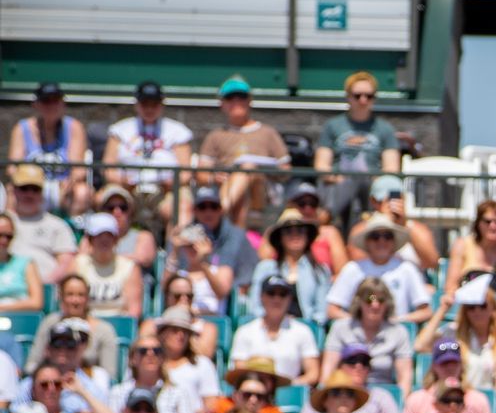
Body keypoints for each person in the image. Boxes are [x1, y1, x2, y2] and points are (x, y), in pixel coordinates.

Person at [197, 77, 290, 229]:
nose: (236, 102)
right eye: (230, 98)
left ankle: (218, 215)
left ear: (249, 100)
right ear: (222, 103)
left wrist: (262, 170)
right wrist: (214, 178)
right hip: (227, 189)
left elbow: (285, 169)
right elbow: (200, 174)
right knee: (241, 195)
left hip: (261, 194)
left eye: (241, 97)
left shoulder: (267, 132)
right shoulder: (216, 135)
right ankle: (235, 238)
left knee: (247, 167)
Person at [103, 81, 195, 234]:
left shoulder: (177, 131)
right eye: (145, 104)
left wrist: (170, 182)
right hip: (127, 188)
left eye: (154, 104)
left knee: (182, 207)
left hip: (165, 190)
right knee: (111, 204)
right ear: (137, 104)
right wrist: (122, 181)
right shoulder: (120, 130)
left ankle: (175, 254)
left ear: (162, 105)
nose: (150, 109)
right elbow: (108, 168)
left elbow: (186, 172)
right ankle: (111, 253)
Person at [314, 72, 400, 225]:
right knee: (350, 181)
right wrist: (336, 178)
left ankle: (325, 219)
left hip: (372, 186)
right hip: (338, 183)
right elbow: (321, 165)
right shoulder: (333, 126)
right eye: (357, 95)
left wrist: (376, 180)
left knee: (362, 180)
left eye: (369, 96)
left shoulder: (385, 128)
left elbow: (392, 168)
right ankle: (329, 221)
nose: (363, 100)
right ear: (348, 96)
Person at [325, 216, 430, 323]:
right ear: (366, 241)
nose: (381, 241)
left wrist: (395, 321)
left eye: (387, 236)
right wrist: (360, 323)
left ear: (394, 241)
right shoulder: (352, 269)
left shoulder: (407, 269)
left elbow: (425, 311)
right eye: (375, 236)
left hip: (395, 334)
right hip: (358, 335)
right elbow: (332, 310)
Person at [11, 82, 92, 216]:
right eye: (46, 101)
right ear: (36, 104)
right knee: (11, 193)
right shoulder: (21, 128)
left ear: (63, 103)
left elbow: (79, 169)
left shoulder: (74, 127)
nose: (51, 105)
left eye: (55, 101)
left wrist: (66, 186)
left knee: (82, 193)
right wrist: (31, 186)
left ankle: (72, 232)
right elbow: (13, 168)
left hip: (64, 186)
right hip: (31, 186)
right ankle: (11, 233)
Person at [322, 278, 413, 389]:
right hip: (347, 394)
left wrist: (401, 402)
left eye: (381, 300)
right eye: (369, 300)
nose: (375, 305)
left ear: (387, 303)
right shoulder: (340, 328)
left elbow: (405, 378)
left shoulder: (399, 332)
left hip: (383, 395)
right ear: (359, 301)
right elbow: (327, 375)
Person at [232, 276, 321, 386]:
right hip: (254, 395)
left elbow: (313, 373)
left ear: (289, 299)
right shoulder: (245, 331)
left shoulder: (302, 331)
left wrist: (288, 386)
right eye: (271, 293)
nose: (276, 299)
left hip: (289, 396)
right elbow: (239, 369)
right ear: (261, 297)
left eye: (282, 294)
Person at [247, 211, 331, 321]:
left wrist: (300, 328)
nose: (295, 235)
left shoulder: (320, 271)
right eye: (289, 231)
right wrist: (275, 324)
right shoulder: (265, 268)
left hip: (306, 330)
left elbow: (321, 313)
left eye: (300, 230)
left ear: (307, 236)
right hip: (269, 329)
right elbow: (255, 306)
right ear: (280, 237)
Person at [4, 165, 76, 286]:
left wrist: (44, 284)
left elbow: (66, 263)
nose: (29, 194)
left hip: (46, 289)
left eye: (35, 189)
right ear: (14, 190)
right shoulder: (4, 223)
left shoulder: (57, 225)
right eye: (24, 188)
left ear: (42, 192)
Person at [72, 214, 142, 317]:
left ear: (116, 239)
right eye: (99, 235)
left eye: (109, 235)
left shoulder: (129, 267)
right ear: (90, 239)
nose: (104, 240)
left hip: (119, 324)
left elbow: (134, 309)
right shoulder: (77, 264)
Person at [0, 210, 47, 314]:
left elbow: (36, 302)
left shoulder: (26, 263)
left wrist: (2, 307)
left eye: (8, 236)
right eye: (0, 235)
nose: (4, 240)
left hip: (20, 322)